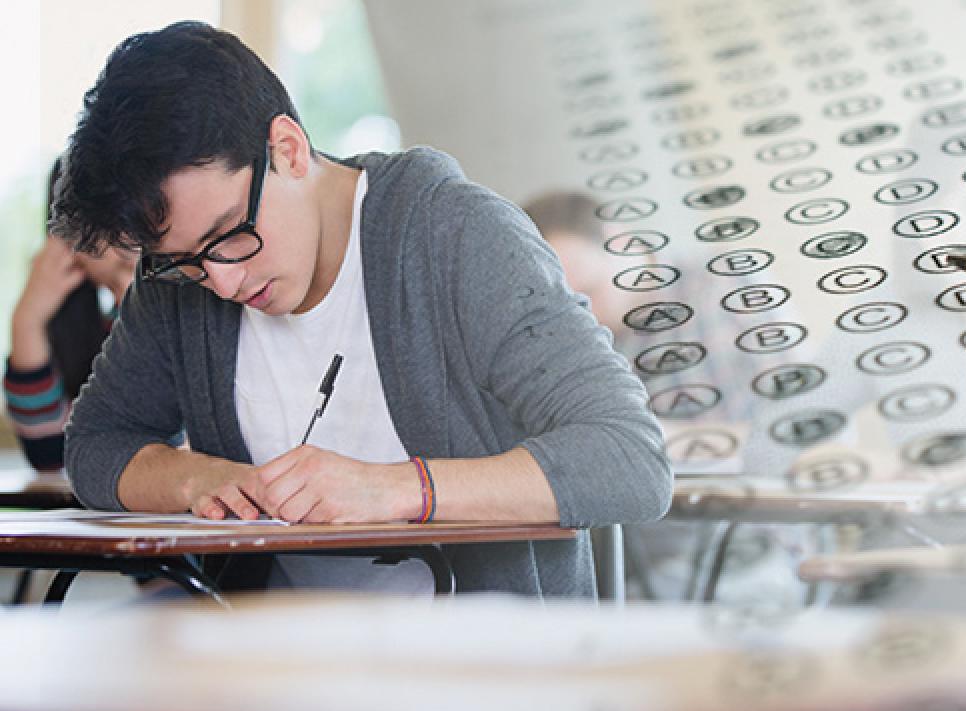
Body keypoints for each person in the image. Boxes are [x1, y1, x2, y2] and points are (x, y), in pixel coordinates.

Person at [50, 22, 672, 597]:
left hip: (484, 673)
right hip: (268, 675)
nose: (222, 280)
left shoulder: (454, 236)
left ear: (287, 149)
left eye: (229, 237)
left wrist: (396, 488)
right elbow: (97, 445)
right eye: (184, 259)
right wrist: (201, 480)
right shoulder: (180, 280)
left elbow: (627, 458)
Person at [5, 159, 136, 472]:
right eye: (110, 284)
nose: (127, 296)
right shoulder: (99, 329)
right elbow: (51, 453)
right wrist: (27, 321)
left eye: (132, 269)